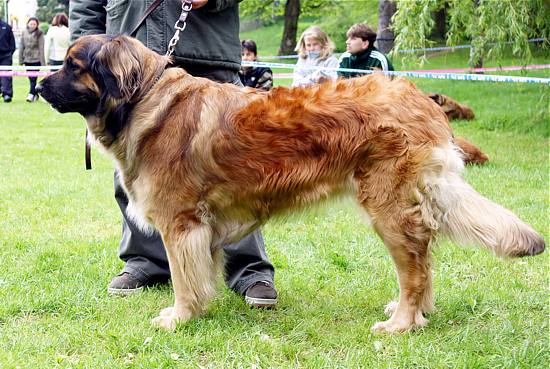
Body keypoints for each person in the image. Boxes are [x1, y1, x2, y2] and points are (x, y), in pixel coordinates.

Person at [70, 0, 277, 307]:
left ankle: (248, 269)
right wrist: (89, 46)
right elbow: (86, 4)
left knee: (235, 171)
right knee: (138, 165)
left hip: (206, 49)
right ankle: (146, 262)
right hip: (127, 59)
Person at [19, 17, 45, 102]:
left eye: (34, 24)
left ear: (37, 25)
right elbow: (21, 46)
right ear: (28, 24)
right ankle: (35, 93)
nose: (32, 25)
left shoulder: (40, 33)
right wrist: (20, 60)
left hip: (36, 59)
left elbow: (41, 48)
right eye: (31, 23)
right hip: (27, 59)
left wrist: (43, 63)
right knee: (31, 78)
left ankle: (30, 95)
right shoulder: (24, 32)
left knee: (33, 78)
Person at [0, 18, 16, 103]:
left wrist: (9, 53)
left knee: (6, 75)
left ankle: (7, 94)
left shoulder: (6, 27)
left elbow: (12, 43)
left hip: (5, 56)